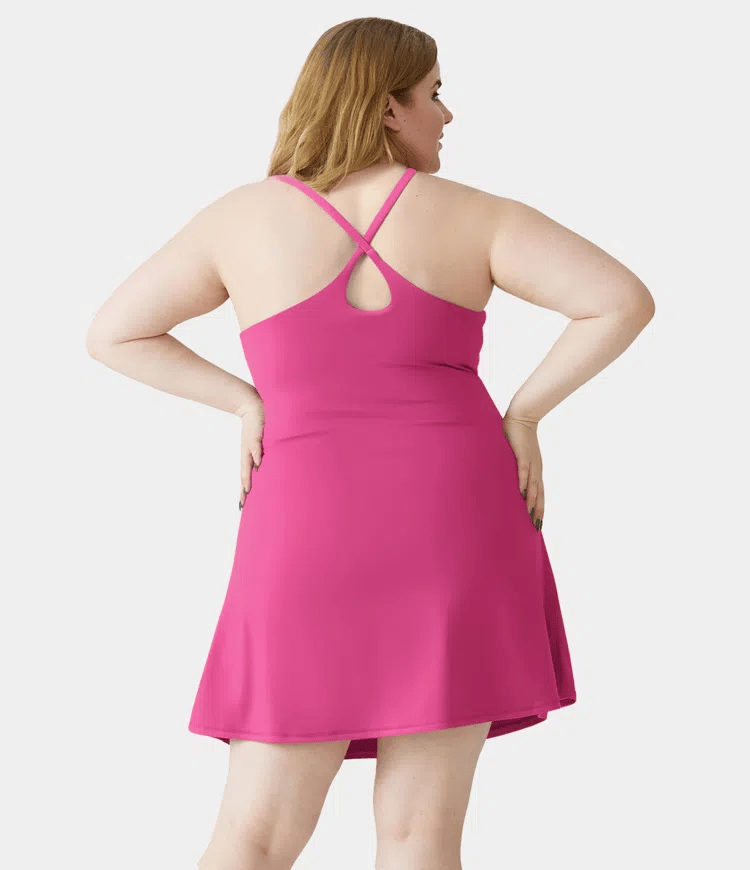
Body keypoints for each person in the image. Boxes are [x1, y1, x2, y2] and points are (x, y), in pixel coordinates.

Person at [85, 16, 655, 870]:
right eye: (434, 94)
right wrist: (525, 415)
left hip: (303, 521)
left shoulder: (241, 218)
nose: (447, 115)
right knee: (421, 836)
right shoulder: (475, 215)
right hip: (456, 519)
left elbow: (113, 333)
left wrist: (244, 401)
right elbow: (620, 300)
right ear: (389, 107)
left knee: (254, 835)